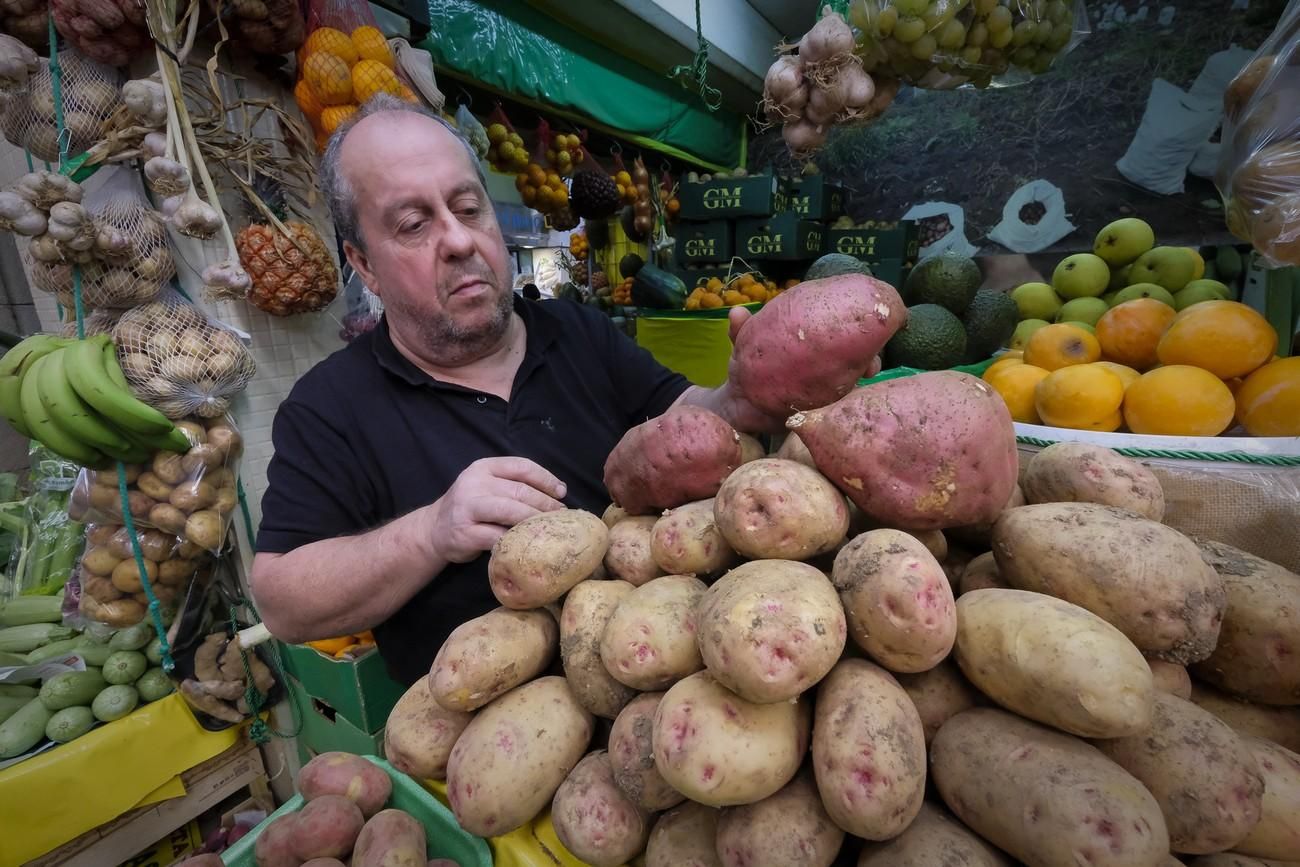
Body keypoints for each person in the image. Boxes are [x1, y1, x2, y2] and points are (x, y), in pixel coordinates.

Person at [250, 95, 781, 685]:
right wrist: (431, 532)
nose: (458, 241)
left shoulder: (578, 331)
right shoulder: (328, 408)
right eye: (413, 224)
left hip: (655, 684)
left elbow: (681, 416)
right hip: (486, 740)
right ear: (364, 264)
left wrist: (736, 397)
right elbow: (281, 602)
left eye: (469, 208)